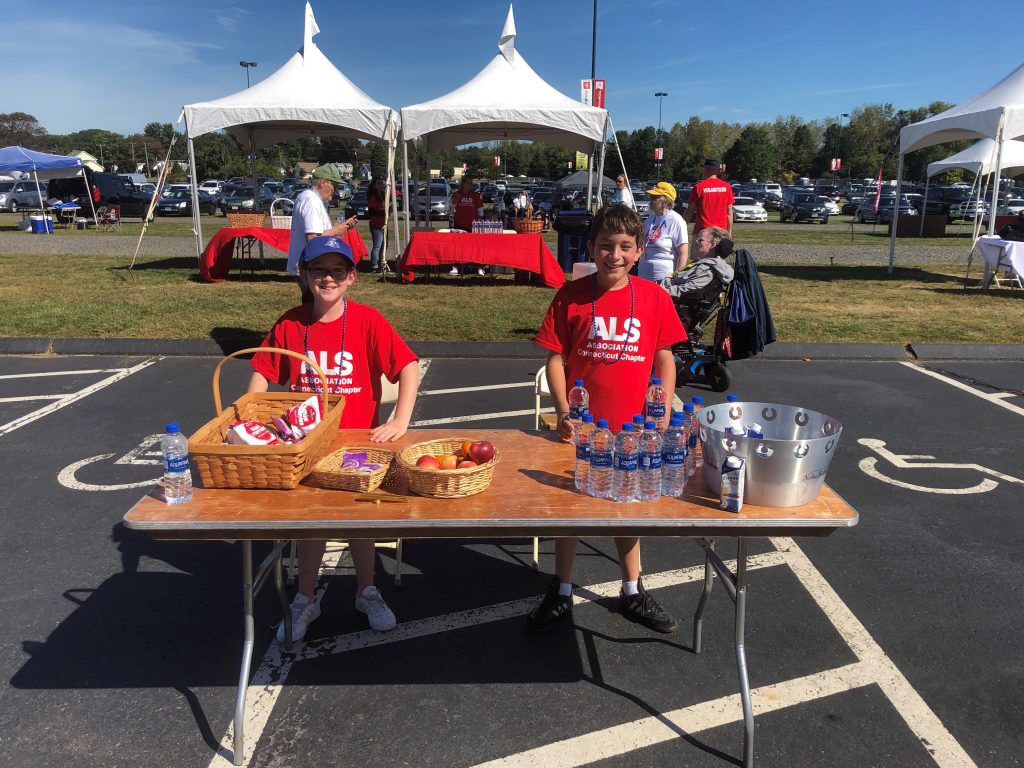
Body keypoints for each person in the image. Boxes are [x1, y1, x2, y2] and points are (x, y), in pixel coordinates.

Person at [249, 235, 420, 640]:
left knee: (359, 517)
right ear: (304, 275)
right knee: (312, 522)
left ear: (351, 279)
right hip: (306, 446)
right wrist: (248, 419)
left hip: (358, 443)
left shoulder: (367, 321)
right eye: (319, 270)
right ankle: (306, 597)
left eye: (337, 271)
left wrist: (401, 420)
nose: (328, 278)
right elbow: (262, 372)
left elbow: (408, 365)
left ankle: (367, 590)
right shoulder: (290, 323)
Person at [527, 204, 688, 635]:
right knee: (570, 509)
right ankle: (561, 590)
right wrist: (563, 412)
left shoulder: (654, 297)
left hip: (633, 429)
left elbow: (665, 358)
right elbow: (555, 358)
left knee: (627, 508)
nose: (613, 255)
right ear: (591, 249)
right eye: (605, 246)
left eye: (624, 247)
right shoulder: (571, 295)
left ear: (638, 252)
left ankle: (632, 589)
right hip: (580, 429)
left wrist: (663, 408)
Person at [287, 164, 357, 276]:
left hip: (310, 266)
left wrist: (341, 228)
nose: (335, 191)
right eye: (335, 185)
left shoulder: (309, 198)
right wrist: (336, 231)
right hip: (310, 268)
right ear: (323, 182)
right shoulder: (311, 201)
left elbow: (318, 233)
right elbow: (313, 238)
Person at [660, 226, 734, 298]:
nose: (696, 243)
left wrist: (658, 292)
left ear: (712, 245)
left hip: (666, 297)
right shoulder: (700, 263)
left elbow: (685, 290)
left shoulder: (706, 270)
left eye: (700, 240)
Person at [639, 181, 689, 282]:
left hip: (663, 278)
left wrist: (676, 279)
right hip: (643, 275)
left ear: (665, 202)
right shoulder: (650, 218)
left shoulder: (676, 220)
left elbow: (683, 253)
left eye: (654, 198)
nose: (650, 200)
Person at [685, 159, 735, 239]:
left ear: (707, 169)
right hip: (721, 233)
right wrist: (729, 232)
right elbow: (729, 213)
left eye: (704, 168)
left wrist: (681, 227)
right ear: (717, 171)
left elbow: (689, 211)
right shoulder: (727, 187)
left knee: (698, 251)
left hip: (702, 232)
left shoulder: (699, 187)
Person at [449, 176, 487, 276]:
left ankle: (478, 267)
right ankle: (456, 266)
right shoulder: (456, 194)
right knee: (458, 247)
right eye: (468, 183)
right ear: (462, 183)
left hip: (473, 226)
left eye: (471, 183)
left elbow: (481, 211)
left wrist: (479, 220)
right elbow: (452, 207)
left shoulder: (475, 195)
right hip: (459, 224)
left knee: (475, 247)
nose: (470, 185)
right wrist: (456, 199)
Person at [366, 177, 387, 273]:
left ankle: (381, 263)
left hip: (384, 223)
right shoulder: (373, 196)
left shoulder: (383, 196)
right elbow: (372, 212)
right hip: (376, 224)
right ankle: (374, 265)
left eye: (381, 183)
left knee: (384, 245)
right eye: (378, 183)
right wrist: (384, 212)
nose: (381, 185)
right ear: (374, 185)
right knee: (377, 246)